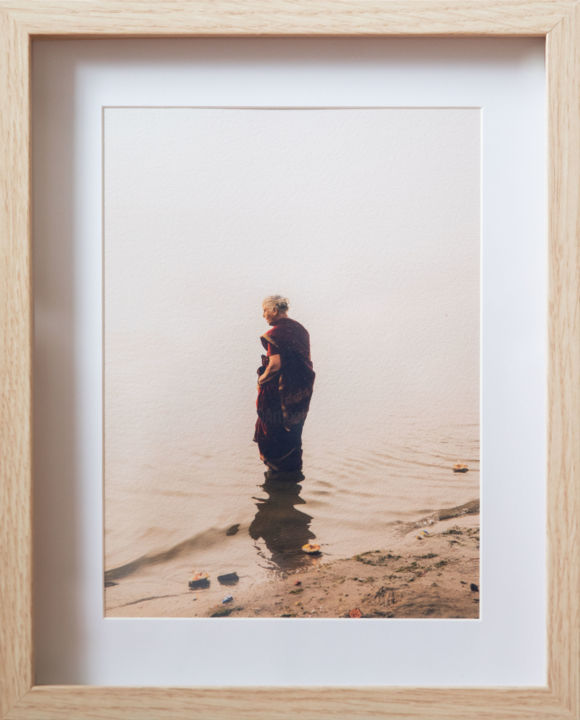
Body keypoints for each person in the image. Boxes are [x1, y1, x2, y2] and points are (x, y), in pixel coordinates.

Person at [253, 295, 315, 476]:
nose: (263, 315)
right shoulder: (300, 329)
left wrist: (261, 380)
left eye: (265, 310)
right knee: (293, 434)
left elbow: (275, 366)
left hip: (280, 394)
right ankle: (293, 479)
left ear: (274, 310)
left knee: (274, 433)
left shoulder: (276, 334)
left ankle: (278, 481)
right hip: (299, 392)